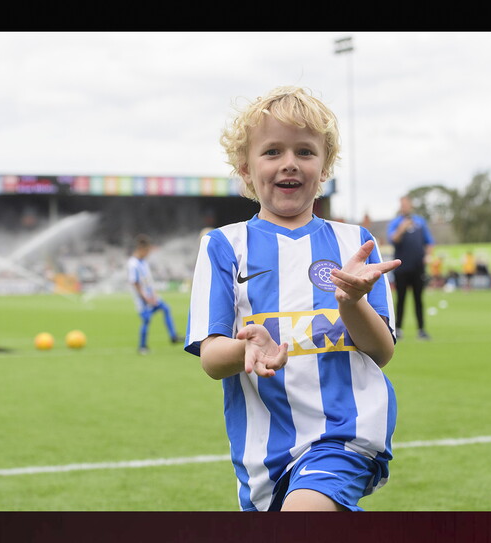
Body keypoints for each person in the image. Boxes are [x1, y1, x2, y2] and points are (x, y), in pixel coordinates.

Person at [185, 85, 401, 512]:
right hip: (264, 452)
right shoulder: (224, 246)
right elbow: (211, 358)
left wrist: (351, 303)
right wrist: (247, 346)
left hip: (345, 434)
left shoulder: (354, 243)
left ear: (324, 168)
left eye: (305, 152)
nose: (289, 163)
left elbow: (381, 351)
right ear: (246, 168)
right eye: (272, 152)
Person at [386, 195, 434, 340]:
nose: (404, 206)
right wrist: (402, 229)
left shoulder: (420, 222)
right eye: (402, 204)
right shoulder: (396, 223)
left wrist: (428, 255)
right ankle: (398, 329)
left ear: (411, 205)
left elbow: (429, 241)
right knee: (400, 299)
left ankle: (421, 329)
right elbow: (393, 239)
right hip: (401, 267)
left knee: (418, 299)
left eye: (406, 204)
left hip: (418, 267)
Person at [127, 234, 181, 355]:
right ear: (141, 249)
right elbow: (135, 283)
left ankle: (173, 336)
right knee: (146, 320)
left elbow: (148, 281)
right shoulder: (133, 264)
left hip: (152, 297)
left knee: (166, 309)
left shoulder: (143, 262)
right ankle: (142, 346)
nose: (148, 254)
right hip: (143, 300)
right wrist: (146, 298)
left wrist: (154, 295)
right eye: (147, 251)